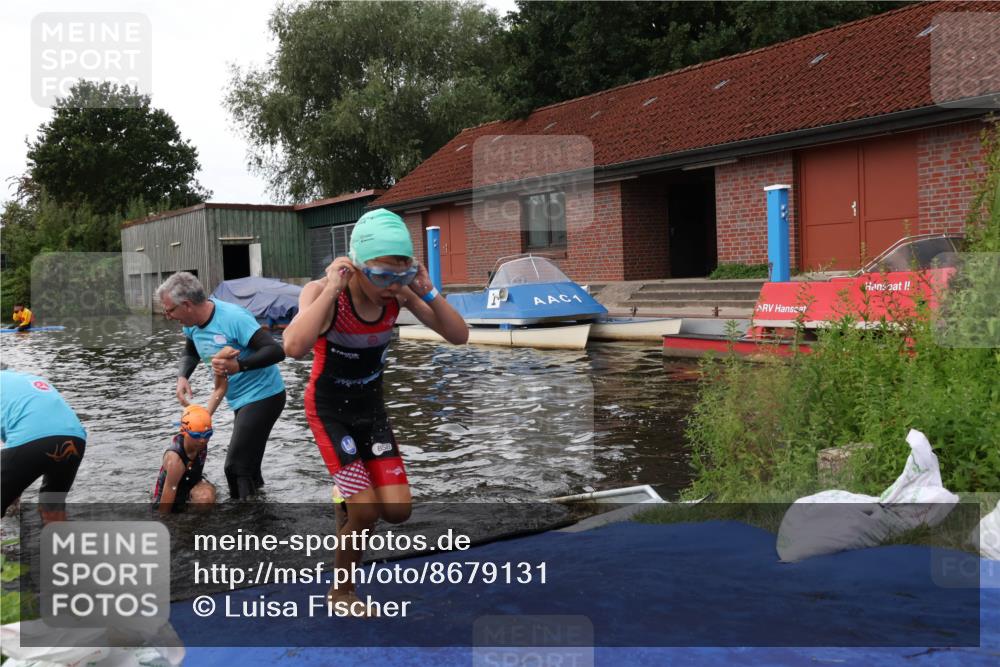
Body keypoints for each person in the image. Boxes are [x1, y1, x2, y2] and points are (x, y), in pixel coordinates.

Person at [283, 208, 468, 614]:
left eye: (400, 276)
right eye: (383, 276)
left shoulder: (398, 295)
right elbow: (293, 347)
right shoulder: (326, 292)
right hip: (329, 412)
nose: (391, 287)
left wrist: (426, 290)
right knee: (364, 512)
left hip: (371, 411)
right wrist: (331, 288)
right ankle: (341, 593)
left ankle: (344, 497)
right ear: (356, 266)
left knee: (398, 512)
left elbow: (459, 335)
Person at [156, 272, 286, 500]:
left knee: (235, 468)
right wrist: (182, 376)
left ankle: (242, 528)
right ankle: (261, 513)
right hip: (240, 399)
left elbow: (276, 351)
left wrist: (239, 366)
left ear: (186, 305)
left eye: (170, 310)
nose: (167, 315)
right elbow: (191, 351)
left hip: (264, 396)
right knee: (249, 467)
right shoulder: (192, 324)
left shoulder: (233, 318)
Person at [151, 347, 231, 514]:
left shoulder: (201, 420)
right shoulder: (176, 460)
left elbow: (220, 390)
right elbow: (165, 506)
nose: (203, 440)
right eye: (197, 435)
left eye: (207, 435)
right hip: (171, 491)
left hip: (192, 483)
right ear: (184, 432)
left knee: (206, 499)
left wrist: (220, 362)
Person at [1, 369, 86, 523]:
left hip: (32, 439)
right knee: (52, 508)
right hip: (75, 438)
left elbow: (13, 458)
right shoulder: (27, 378)